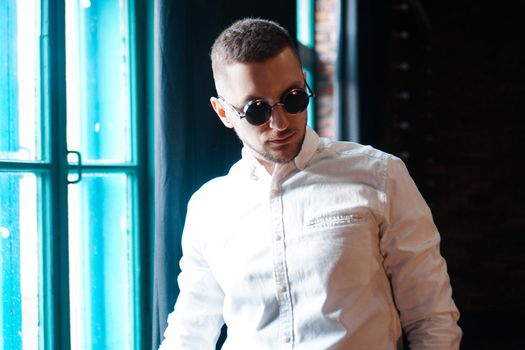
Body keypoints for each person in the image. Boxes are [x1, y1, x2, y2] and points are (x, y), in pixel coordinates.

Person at [159, 18, 462, 349]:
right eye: (257, 110)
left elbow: (430, 317)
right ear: (223, 113)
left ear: (304, 84)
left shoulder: (380, 175)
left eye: (292, 99)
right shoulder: (209, 207)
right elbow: (190, 331)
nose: (280, 122)